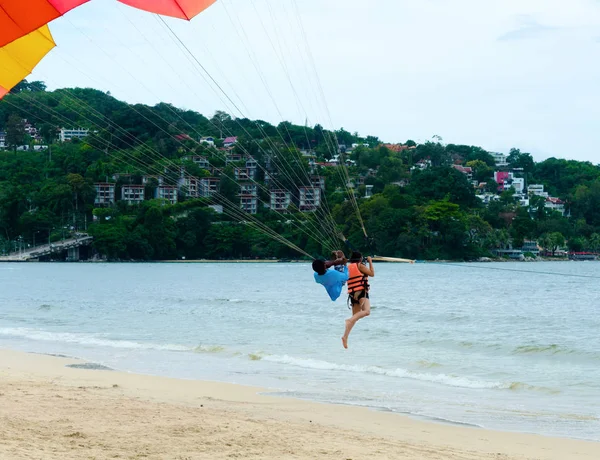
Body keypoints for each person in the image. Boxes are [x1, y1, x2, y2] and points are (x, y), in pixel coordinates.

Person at [342, 251, 374, 349]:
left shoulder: (348, 267)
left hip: (352, 294)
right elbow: (372, 274)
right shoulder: (360, 265)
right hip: (361, 292)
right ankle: (348, 321)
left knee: (355, 317)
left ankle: (345, 336)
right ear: (360, 259)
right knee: (367, 311)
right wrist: (370, 261)